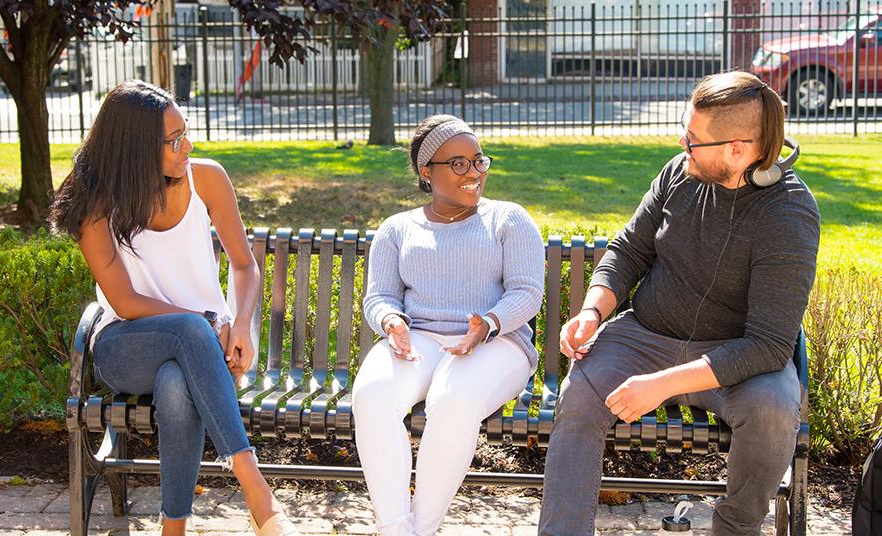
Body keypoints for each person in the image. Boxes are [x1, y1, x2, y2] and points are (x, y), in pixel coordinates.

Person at [538, 71, 820, 536]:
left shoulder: (788, 213)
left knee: (773, 409)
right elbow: (628, 250)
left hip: (739, 359)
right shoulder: (678, 173)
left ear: (737, 149)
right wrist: (592, 311)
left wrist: (663, 385)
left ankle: (736, 529)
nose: (681, 145)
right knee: (580, 394)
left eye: (693, 140)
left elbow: (769, 346)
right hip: (646, 335)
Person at [50, 80, 299, 536]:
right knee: (187, 332)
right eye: (172, 140)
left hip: (206, 348)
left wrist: (241, 325)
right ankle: (257, 492)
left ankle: (174, 528)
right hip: (126, 344)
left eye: (186, 132)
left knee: (175, 380)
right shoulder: (95, 202)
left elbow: (244, 266)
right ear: (135, 148)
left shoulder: (207, 179)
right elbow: (124, 301)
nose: (186, 147)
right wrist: (207, 322)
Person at [351, 114, 545, 536]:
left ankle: (421, 529)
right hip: (419, 339)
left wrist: (488, 324)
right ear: (426, 172)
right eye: (458, 164)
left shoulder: (508, 219)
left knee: (452, 399)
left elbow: (527, 293)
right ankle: (396, 528)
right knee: (371, 396)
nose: (474, 173)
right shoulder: (397, 229)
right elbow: (379, 297)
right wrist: (392, 322)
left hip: (498, 343)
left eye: (479, 161)